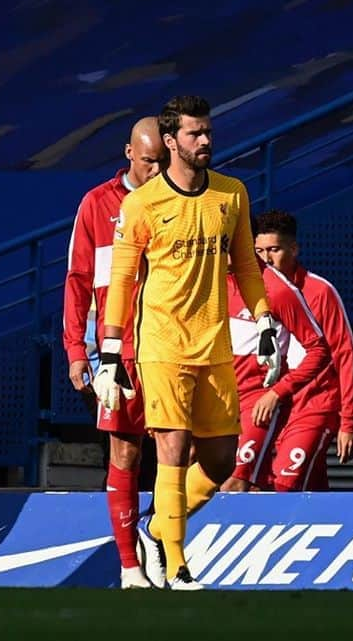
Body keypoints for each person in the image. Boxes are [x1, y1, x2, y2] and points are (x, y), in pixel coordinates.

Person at [93, 96, 282, 590]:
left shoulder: (231, 194)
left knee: (221, 460)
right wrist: (110, 354)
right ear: (172, 141)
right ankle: (177, 565)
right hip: (160, 344)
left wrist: (263, 321)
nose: (206, 141)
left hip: (215, 345)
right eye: (195, 134)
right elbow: (122, 280)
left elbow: (245, 264)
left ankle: (156, 527)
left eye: (208, 132)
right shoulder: (141, 204)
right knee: (172, 450)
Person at [63, 117, 165, 589]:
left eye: (162, 162)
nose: (155, 170)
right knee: (125, 453)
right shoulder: (96, 204)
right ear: (128, 153)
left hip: (172, 347)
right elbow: (78, 282)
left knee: (182, 451)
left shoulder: (182, 200)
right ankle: (130, 566)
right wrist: (76, 350)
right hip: (117, 351)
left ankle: (167, 542)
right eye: (147, 161)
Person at [222, 210, 352, 493]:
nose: (267, 258)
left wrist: (349, 422)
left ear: (293, 249)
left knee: (282, 482)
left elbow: (342, 356)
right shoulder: (232, 286)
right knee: (278, 486)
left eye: (274, 250)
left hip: (311, 405)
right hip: (271, 405)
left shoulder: (315, 292)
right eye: (260, 250)